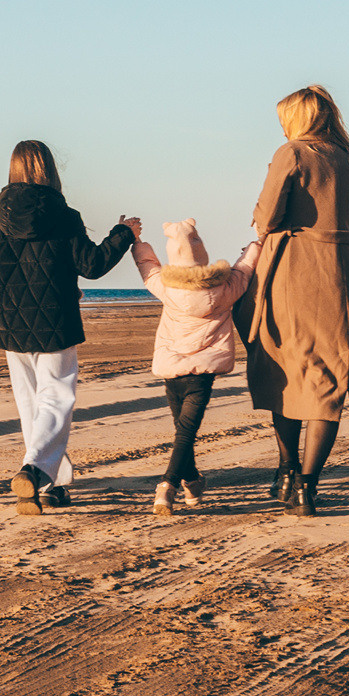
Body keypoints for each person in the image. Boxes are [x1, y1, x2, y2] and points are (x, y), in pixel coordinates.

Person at [0, 141, 136, 515]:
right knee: (56, 398)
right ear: (50, 170)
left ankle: (50, 483)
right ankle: (33, 468)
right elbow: (92, 265)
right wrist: (123, 233)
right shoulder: (64, 216)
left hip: (11, 325)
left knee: (30, 402)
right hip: (56, 321)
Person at [242, 85, 349, 517]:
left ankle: (288, 470)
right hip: (342, 271)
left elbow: (267, 218)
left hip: (293, 268)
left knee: (285, 371)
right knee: (329, 376)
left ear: (298, 118)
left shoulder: (292, 153)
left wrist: (259, 218)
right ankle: (308, 486)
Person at [128, 219, 260, 516]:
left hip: (172, 368)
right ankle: (172, 483)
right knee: (185, 431)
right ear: (202, 252)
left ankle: (185, 481)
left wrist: (137, 241)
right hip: (203, 372)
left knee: (183, 430)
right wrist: (258, 241)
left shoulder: (165, 285)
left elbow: (147, 265)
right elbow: (246, 267)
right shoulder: (226, 287)